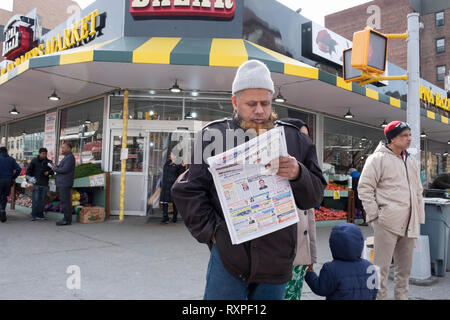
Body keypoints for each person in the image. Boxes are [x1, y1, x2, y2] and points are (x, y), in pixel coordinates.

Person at [172, 60, 327, 300]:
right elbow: (188, 190)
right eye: (251, 104)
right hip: (229, 256)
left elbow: (315, 195)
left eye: (265, 103)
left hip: (277, 258)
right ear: (235, 102)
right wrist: (213, 232)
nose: (259, 111)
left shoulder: (295, 138)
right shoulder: (214, 136)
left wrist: (298, 173)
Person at [358, 121, 425, 300]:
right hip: (386, 223)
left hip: (409, 222)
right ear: (392, 138)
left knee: (405, 270)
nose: (409, 139)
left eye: (409, 135)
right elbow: (364, 188)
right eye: (404, 135)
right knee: (380, 270)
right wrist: (375, 217)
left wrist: (419, 216)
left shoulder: (409, 160)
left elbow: (418, 190)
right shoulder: (377, 159)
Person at [278, 118, 317, 300]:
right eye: (300, 138)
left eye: (307, 138)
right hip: (272, 258)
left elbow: (310, 222)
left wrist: (311, 257)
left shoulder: (307, 176)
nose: (305, 143)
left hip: (299, 257)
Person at [304, 223, 378, 300]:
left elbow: (321, 289)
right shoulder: (370, 267)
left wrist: (310, 273)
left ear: (333, 245)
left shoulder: (330, 268)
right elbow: (374, 291)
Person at [27, 148, 54, 221]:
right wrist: (29, 180)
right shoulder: (34, 161)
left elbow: (53, 170)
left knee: (42, 201)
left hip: (45, 183)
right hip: (36, 183)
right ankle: (34, 215)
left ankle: (40, 215)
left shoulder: (49, 162)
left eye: (45, 154)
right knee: (35, 200)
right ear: (39, 153)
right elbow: (28, 171)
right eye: (43, 154)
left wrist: (49, 172)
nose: (44, 155)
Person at [52, 142, 76, 226]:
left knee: (65, 202)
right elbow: (62, 168)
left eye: (64, 148)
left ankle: (67, 220)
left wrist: (55, 169)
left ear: (69, 148)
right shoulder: (66, 157)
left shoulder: (70, 158)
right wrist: (57, 167)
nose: (62, 149)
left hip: (65, 183)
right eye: (62, 147)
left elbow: (65, 170)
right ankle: (66, 218)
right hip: (62, 183)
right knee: (64, 201)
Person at [160, 152, 185, 224]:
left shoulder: (179, 163)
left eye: (171, 154)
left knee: (174, 202)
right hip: (165, 185)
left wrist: (183, 167)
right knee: (164, 201)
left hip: (173, 185)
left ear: (175, 155)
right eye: (170, 154)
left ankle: (174, 217)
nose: (170, 155)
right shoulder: (167, 163)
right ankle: (165, 217)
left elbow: (181, 174)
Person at [0, 147, 21, 223]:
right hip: (8, 180)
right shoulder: (11, 159)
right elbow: (19, 169)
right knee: (4, 196)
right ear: (6, 152)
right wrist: (13, 177)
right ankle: (2, 210)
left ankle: (1, 211)